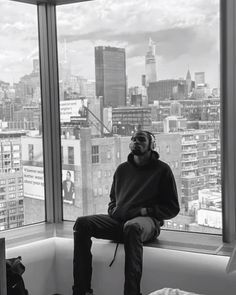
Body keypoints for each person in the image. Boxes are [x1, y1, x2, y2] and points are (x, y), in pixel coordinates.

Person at [73, 130, 180, 295]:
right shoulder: (122, 169)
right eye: (133, 139)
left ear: (152, 145)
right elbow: (113, 200)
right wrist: (114, 210)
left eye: (141, 139)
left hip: (146, 223)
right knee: (82, 223)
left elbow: (172, 208)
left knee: (132, 227)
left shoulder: (162, 170)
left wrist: (146, 211)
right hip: (120, 221)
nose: (136, 142)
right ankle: (82, 290)